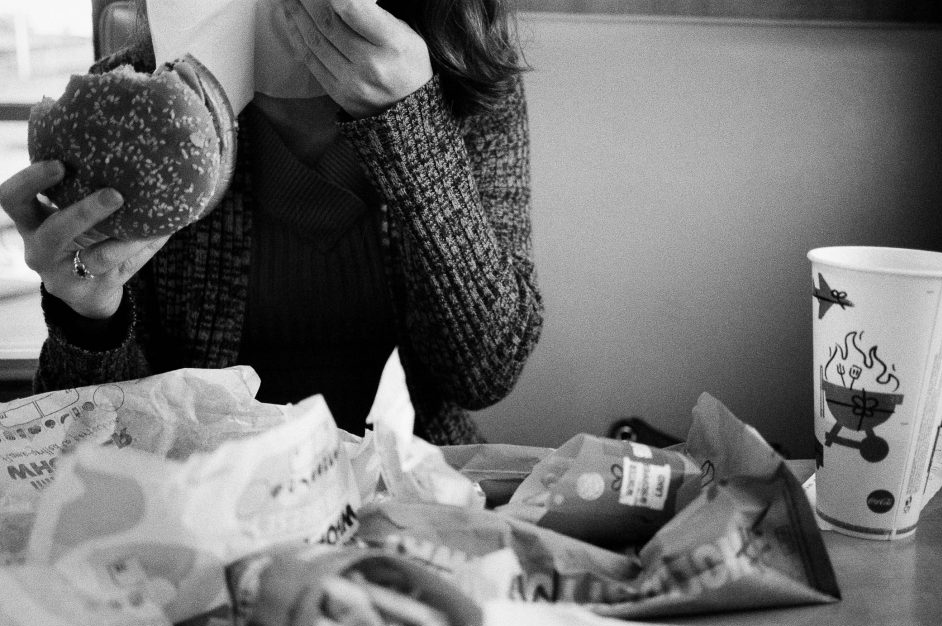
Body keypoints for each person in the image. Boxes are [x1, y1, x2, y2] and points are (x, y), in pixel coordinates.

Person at [0, 0, 543, 444]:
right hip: (199, 500)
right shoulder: (126, 110)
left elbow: (486, 372)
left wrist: (413, 131)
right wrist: (88, 316)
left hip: (406, 488)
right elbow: (93, 436)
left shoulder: (465, 92)